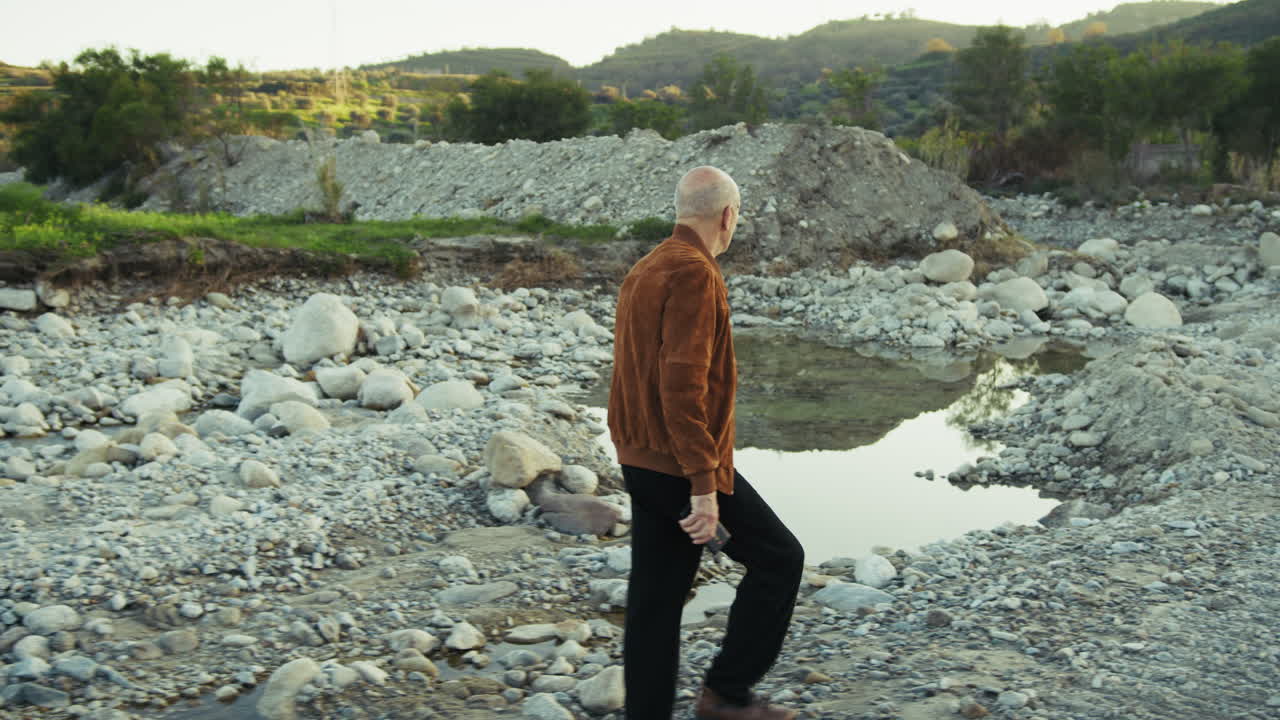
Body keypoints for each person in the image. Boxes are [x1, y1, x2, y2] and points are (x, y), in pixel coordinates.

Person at [608, 166, 805, 720]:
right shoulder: (696, 273)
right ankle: (726, 693)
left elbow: (630, 377)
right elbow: (681, 386)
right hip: (681, 464)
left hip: (641, 461)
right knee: (779, 559)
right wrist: (702, 487)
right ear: (727, 216)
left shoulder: (646, 267)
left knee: (656, 602)